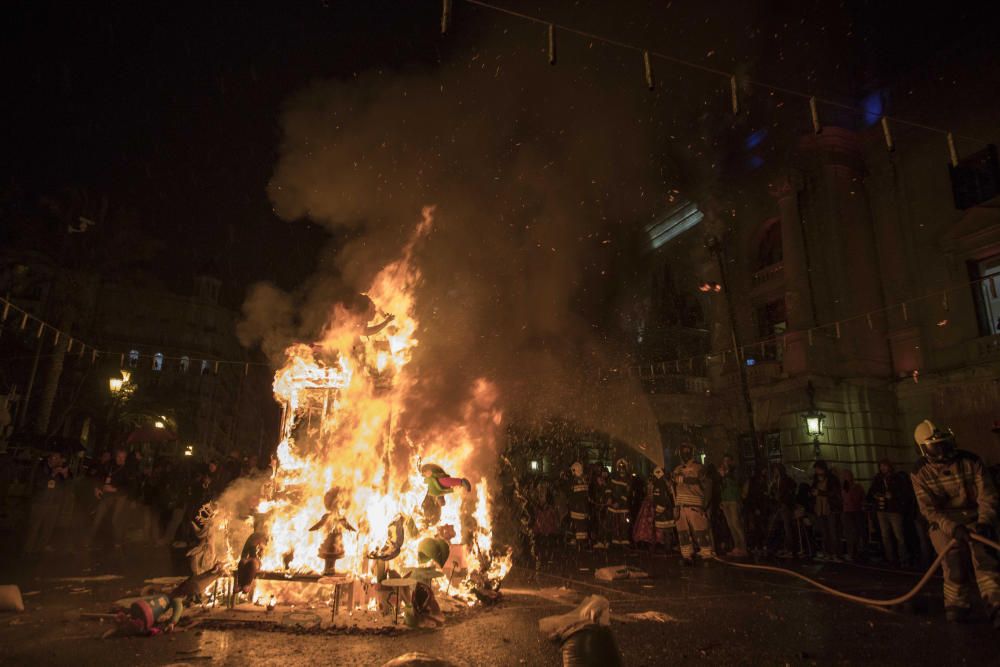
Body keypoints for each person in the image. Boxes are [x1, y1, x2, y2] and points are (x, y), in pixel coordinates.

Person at [910, 420, 1000, 626]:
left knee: (985, 560)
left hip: (976, 517)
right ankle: (956, 606)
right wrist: (953, 527)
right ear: (923, 448)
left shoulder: (971, 461)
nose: (941, 453)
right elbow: (929, 510)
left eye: (944, 444)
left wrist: (985, 523)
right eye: (935, 447)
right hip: (944, 522)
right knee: (953, 564)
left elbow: (988, 496)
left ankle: (996, 605)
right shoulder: (919, 472)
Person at [672, 443, 714, 564]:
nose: (685, 454)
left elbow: (707, 484)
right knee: (683, 533)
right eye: (683, 451)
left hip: (695, 505)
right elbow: (674, 485)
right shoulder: (677, 469)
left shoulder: (699, 468)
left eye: (687, 451)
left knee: (700, 532)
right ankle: (687, 555)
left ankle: (707, 555)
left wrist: (705, 505)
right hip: (680, 506)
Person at [23, 452, 72, 554]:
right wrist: (52, 474)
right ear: (49, 459)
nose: (58, 461)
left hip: (54, 505)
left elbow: (66, 487)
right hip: (40, 503)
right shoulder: (41, 468)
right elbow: (39, 484)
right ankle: (27, 550)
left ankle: (40, 549)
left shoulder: (60, 470)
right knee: (34, 528)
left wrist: (65, 475)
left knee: (48, 528)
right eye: (55, 458)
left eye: (59, 459)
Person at [866, 458, 911, 567]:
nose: (883, 468)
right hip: (882, 509)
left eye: (884, 466)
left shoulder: (897, 478)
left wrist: (893, 496)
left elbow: (904, 493)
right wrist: (876, 495)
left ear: (889, 466)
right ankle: (890, 558)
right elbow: (871, 491)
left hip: (894, 510)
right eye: (881, 466)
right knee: (885, 535)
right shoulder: (878, 478)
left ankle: (903, 558)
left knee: (899, 535)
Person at [88, 448, 131, 549]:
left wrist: (115, 489)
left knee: (116, 519)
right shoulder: (109, 465)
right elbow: (98, 476)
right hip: (107, 496)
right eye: (119, 457)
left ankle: (117, 541)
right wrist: (97, 488)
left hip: (120, 496)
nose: (121, 459)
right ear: (116, 456)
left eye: (123, 457)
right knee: (98, 516)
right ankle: (88, 539)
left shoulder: (128, 470)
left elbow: (129, 487)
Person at [810, 460, 842, 561]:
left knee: (833, 532)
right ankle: (827, 553)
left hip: (830, 508)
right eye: (816, 469)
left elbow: (834, 493)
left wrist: (820, 492)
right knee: (825, 532)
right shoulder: (815, 480)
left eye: (818, 469)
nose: (816, 471)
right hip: (820, 508)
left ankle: (836, 554)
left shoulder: (832, 479)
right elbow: (813, 490)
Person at [718, 455, 748, 557]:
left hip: (734, 500)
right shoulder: (724, 473)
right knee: (731, 525)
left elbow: (742, 480)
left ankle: (744, 547)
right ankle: (737, 547)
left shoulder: (735, 471)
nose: (725, 463)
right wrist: (721, 500)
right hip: (726, 500)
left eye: (727, 461)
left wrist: (743, 494)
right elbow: (722, 487)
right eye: (724, 461)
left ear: (731, 461)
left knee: (736, 524)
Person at [766, 463, 797, 558]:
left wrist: (785, 499)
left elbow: (791, 488)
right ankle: (781, 547)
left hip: (784, 505)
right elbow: (772, 493)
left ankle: (790, 549)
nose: (775, 472)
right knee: (778, 526)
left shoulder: (786, 480)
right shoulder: (776, 481)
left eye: (776, 470)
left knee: (787, 527)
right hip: (779, 506)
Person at [605, 458, 632, 550]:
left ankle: (624, 542)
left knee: (623, 524)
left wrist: (619, 503)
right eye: (620, 467)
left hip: (623, 507)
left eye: (623, 467)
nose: (621, 469)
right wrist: (609, 498)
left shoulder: (628, 479)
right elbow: (608, 488)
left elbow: (626, 494)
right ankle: (614, 541)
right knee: (614, 523)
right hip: (613, 505)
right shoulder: (613, 477)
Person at [840, 469, 866, 561]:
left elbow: (862, 498)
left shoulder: (857, 487)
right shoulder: (843, 487)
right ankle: (852, 552)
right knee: (850, 534)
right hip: (848, 512)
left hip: (856, 511)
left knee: (857, 533)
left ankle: (858, 552)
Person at [567, 462, 590, 548]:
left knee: (578, 524)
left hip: (577, 507)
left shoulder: (577, 481)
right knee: (581, 525)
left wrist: (571, 502)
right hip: (582, 507)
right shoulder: (583, 480)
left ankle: (578, 542)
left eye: (573, 471)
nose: (572, 473)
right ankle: (582, 542)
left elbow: (574, 494)